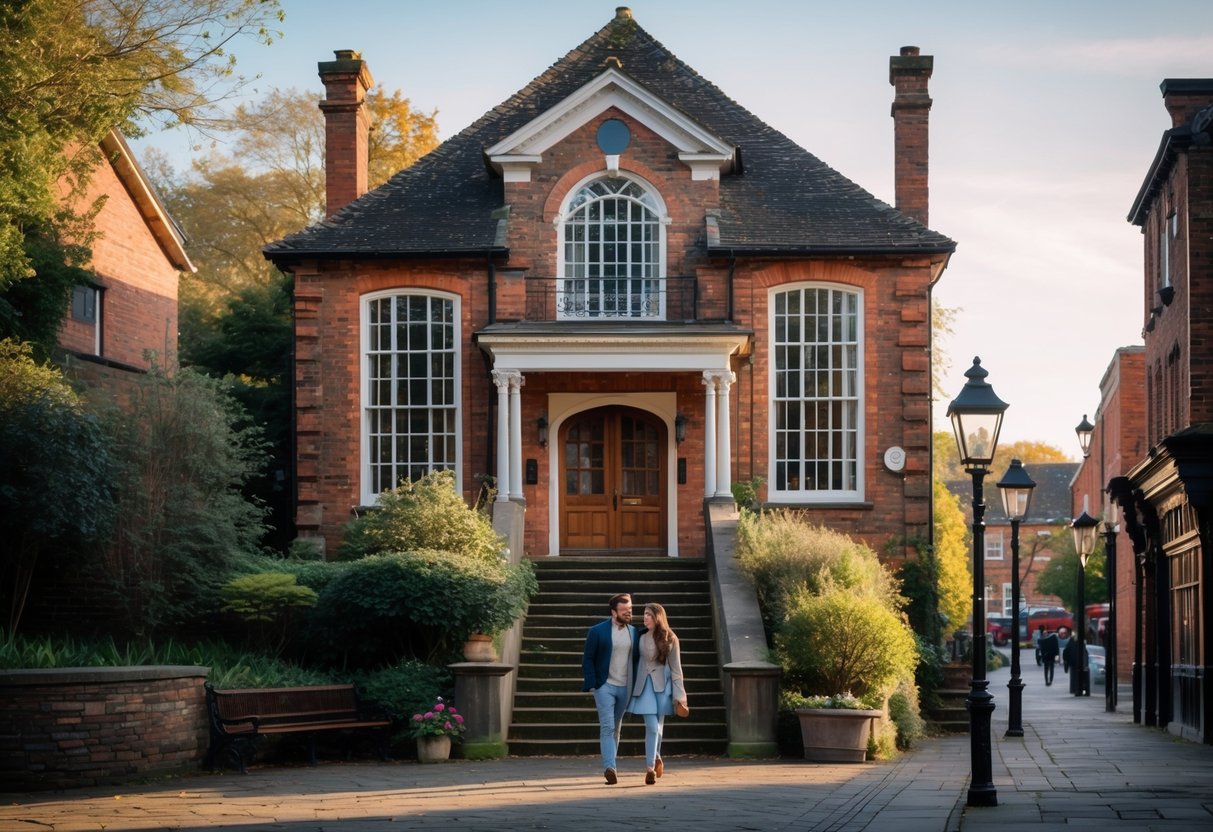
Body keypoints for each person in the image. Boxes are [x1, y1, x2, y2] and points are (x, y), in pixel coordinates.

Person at [626, 602, 688, 785]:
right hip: (643, 686)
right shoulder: (640, 637)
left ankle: (656, 756)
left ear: (658, 617)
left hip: (663, 687)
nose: (645, 618)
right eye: (644, 614)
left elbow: (676, 669)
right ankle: (650, 768)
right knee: (652, 727)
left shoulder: (671, 638)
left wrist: (680, 696)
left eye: (649, 615)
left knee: (659, 728)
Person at [581, 592, 637, 785]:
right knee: (607, 727)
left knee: (617, 728)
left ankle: (612, 765)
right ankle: (610, 767)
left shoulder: (634, 632)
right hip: (605, 685)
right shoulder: (597, 631)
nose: (628, 613)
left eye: (630, 609)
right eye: (624, 610)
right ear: (614, 612)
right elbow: (588, 658)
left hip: (625, 687)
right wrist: (593, 683)